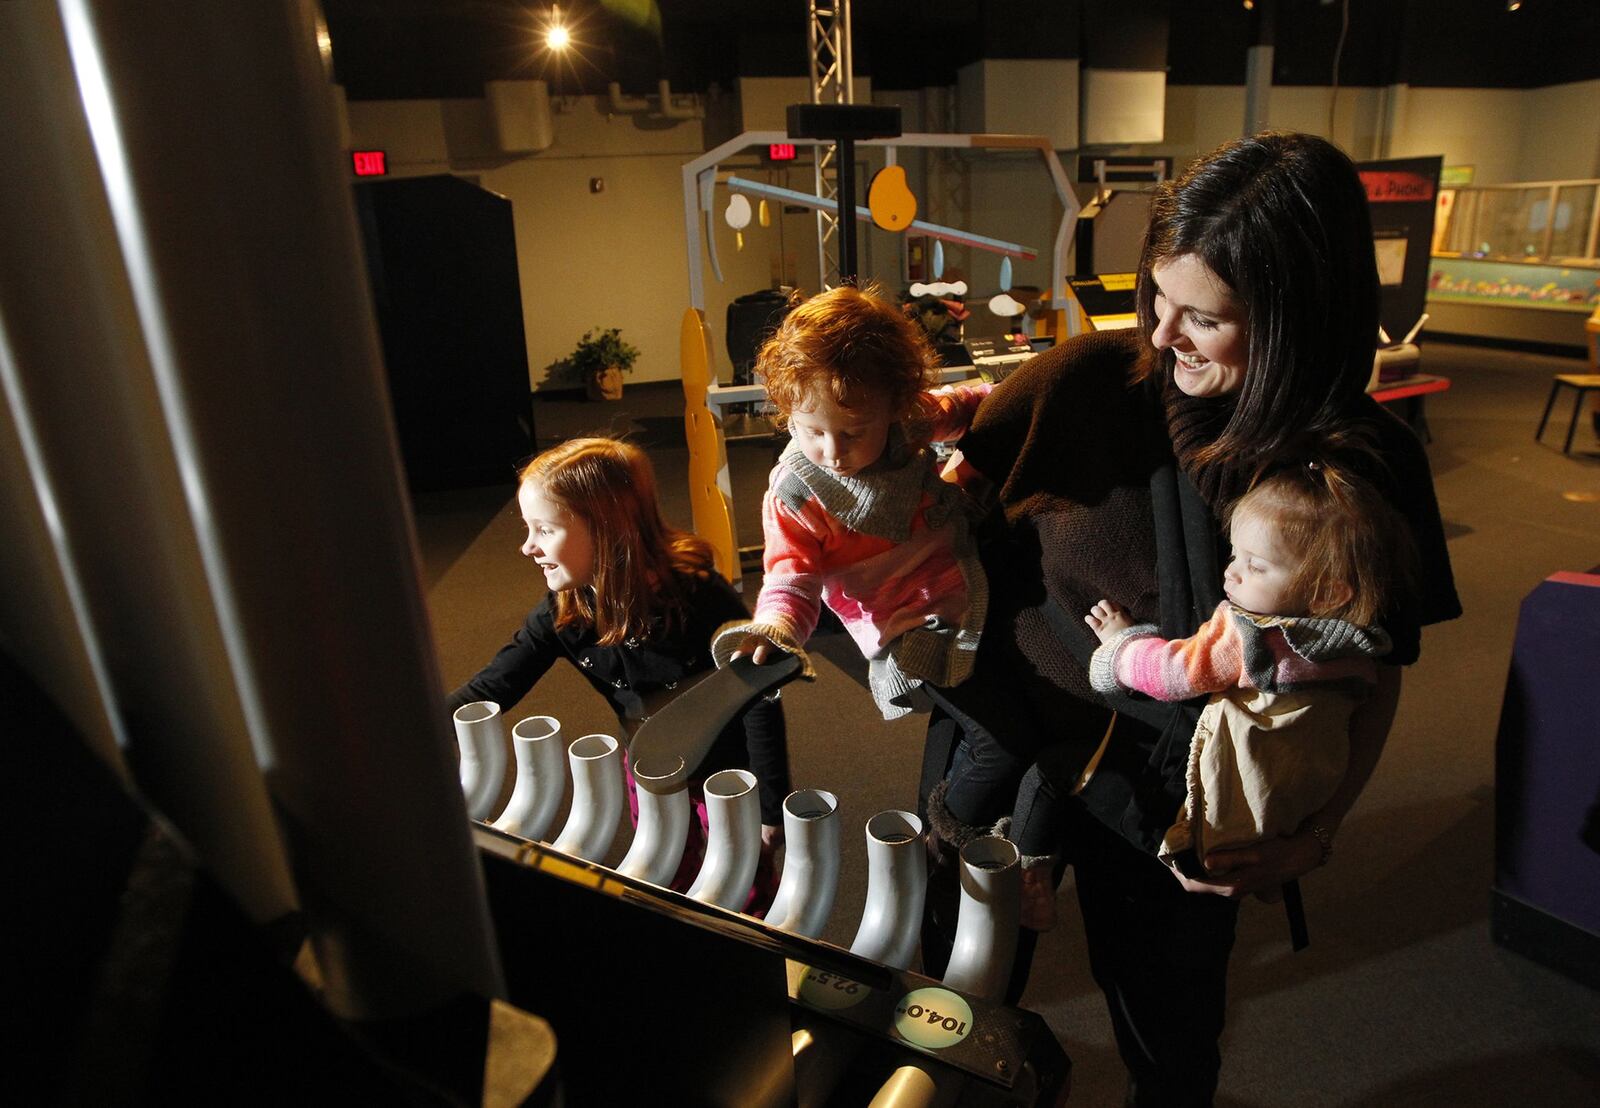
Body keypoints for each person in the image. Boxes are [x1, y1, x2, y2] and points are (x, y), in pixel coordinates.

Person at [928, 132, 1461, 1103]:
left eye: (1203, 319)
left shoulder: (1363, 473)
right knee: (951, 1011)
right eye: (1153, 299)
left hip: (1179, 806)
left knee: (1170, 1050)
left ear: (1296, 319)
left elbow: (1367, 679)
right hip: (1011, 759)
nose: (1161, 337)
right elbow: (937, 513)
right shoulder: (1086, 381)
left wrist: (1314, 829)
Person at [1005, 458, 1405, 930]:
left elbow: (1173, 673)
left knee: (1054, 771)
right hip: (1279, 812)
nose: (1231, 574)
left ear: (1325, 593)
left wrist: (1119, 644)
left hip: (1194, 812)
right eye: (1234, 555)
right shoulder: (1358, 650)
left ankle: (1031, 874)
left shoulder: (1250, 637)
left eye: (1254, 566)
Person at [711, 284, 1030, 842]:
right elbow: (791, 578)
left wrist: (1033, 381)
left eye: (852, 433)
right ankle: (945, 833)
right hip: (906, 623)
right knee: (1001, 739)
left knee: (983, 710)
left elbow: (974, 402)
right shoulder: (797, 493)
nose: (833, 451)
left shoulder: (908, 426)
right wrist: (776, 628)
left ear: (896, 403)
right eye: (812, 430)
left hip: (965, 575)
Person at [447, 437, 791, 902]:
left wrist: (772, 811)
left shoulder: (701, 598)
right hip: (647, 772)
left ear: (607, 530)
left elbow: (759, 702)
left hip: (724, 782)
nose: (527, 547)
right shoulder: (562, 611)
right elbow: (493, 686)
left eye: (543, 530)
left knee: (740, 890)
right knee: (666, 878)